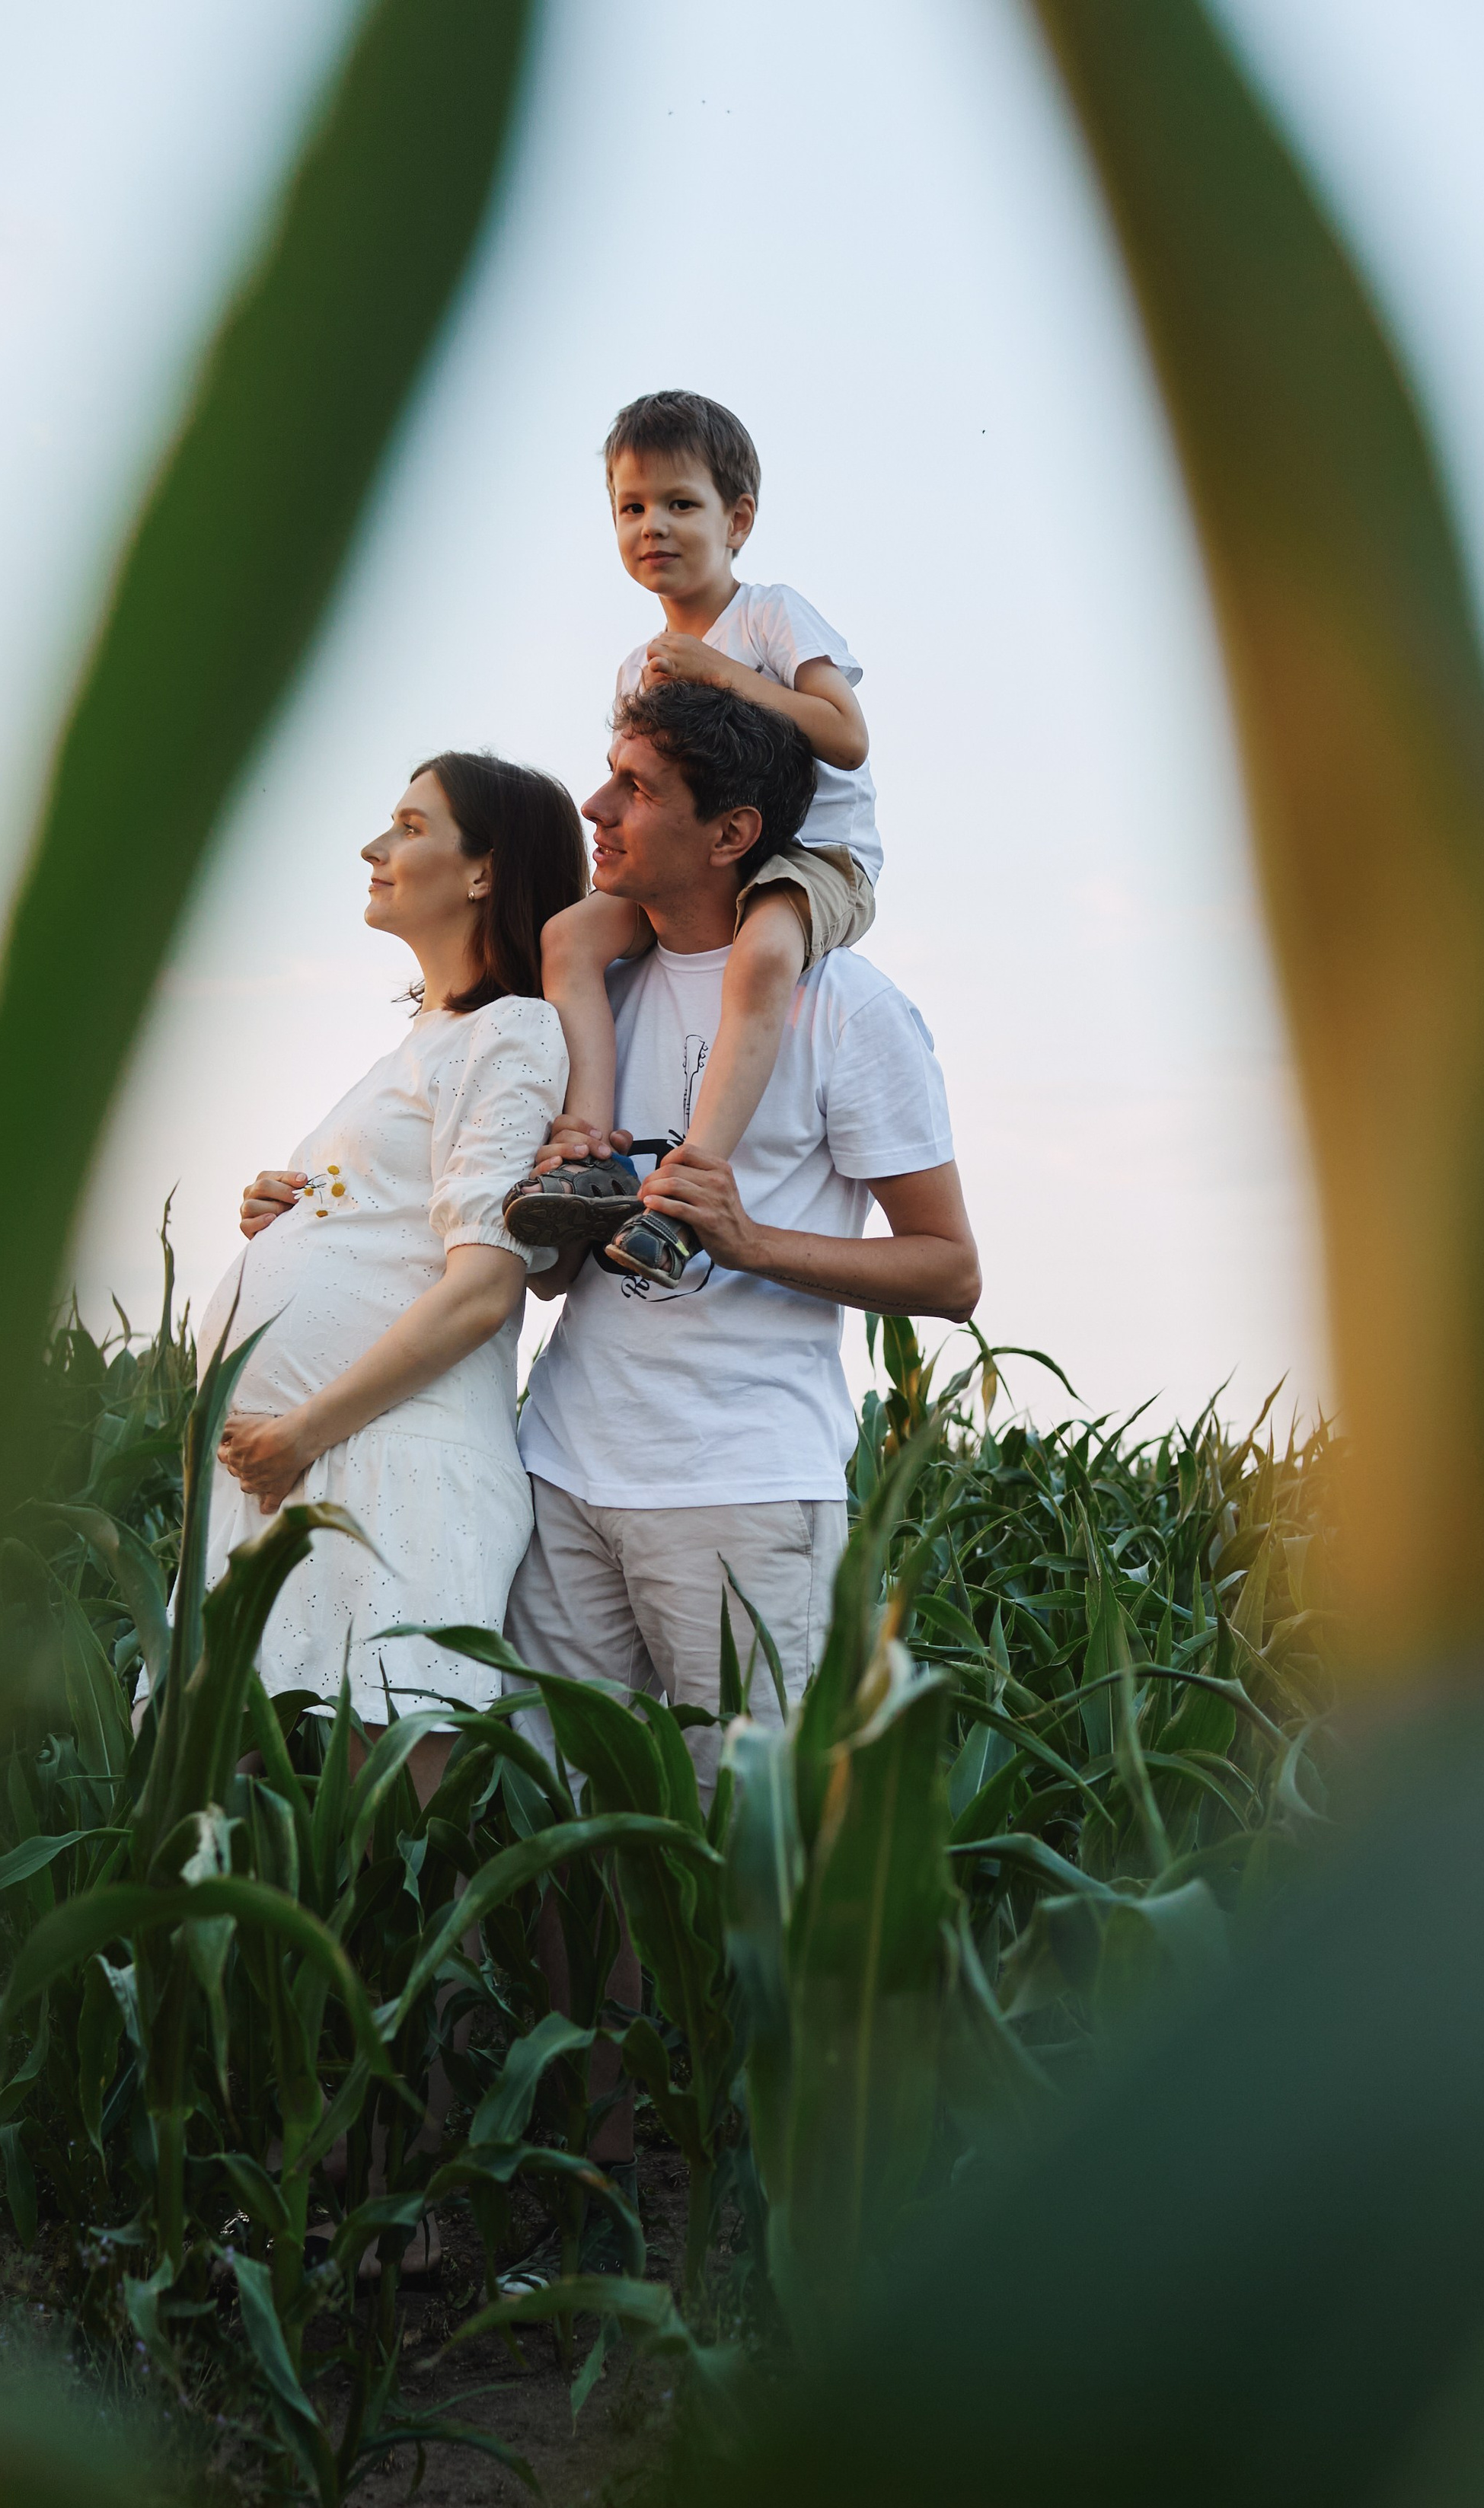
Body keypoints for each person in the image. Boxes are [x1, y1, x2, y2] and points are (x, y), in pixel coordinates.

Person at [499, 678, 978, 2276]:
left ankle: (759, 2210)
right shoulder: (599, 979)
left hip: (742, 1490)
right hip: (567, 1461)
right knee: (571, 1840)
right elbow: (560, 1263)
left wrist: (747, 1238)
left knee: (737, 1853)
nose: (594, 808)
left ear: (730, 832)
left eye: (628, 787)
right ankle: (590, 2161)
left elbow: (949, 1269)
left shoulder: (847, 1008)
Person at [207, 751, 577, 1801]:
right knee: (244, 1829)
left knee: (401, 1843)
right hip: (298, 1475)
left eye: (410, 827)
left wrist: (299, 1433)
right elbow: (388, 1224)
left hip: (390, 1475)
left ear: (481, 872)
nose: (376, 849)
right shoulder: (417, 1043)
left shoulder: (509, 1033)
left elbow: (484, 1287)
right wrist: (287, 1213)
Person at [522, 389, 880, 1285]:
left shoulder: (768, 615)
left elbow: (845, 735)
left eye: (681, 504)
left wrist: (719, 671)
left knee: (762, 959)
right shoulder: (632, 665)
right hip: (697, 865)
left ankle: (690, 1188)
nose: (655, 527)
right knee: (569, 936)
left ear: (738, 519)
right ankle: (594, 1150)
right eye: (631, 508)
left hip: (809, 859)